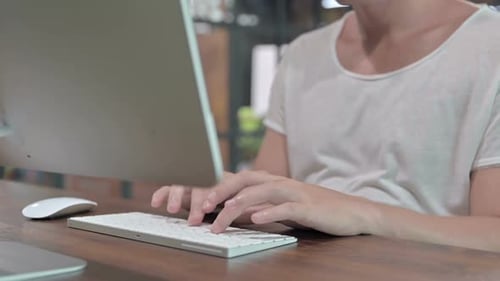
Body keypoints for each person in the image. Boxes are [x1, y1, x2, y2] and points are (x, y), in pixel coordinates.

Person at [152, 0, 500, 252]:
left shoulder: (489, 47)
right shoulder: (304, 54)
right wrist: (224, 200)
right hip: (302, 265)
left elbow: (493, 233)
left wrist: (364, 214)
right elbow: (269, 195)